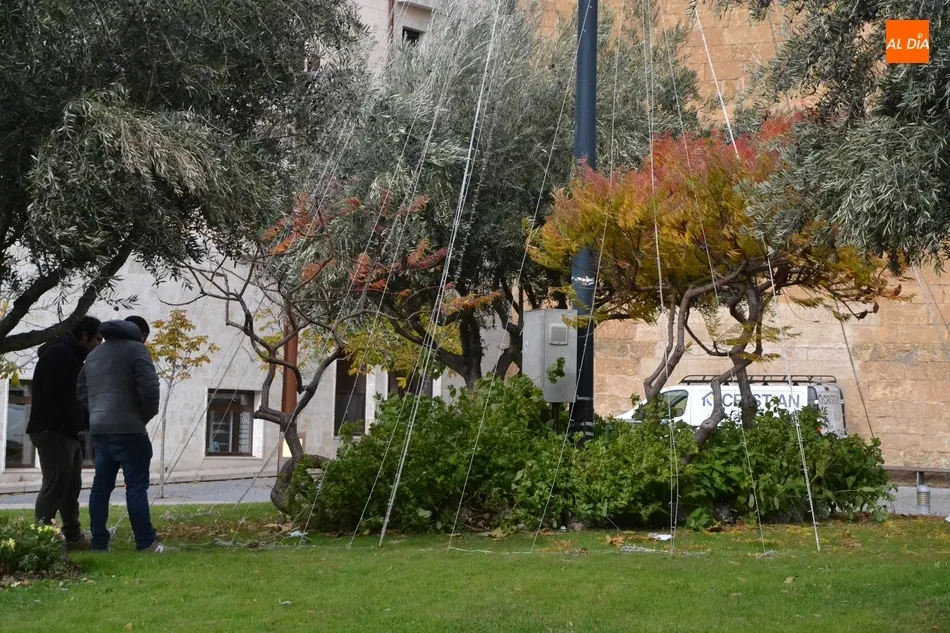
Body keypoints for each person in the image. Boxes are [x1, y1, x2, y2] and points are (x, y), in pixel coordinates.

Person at [77, 316, 171, 553]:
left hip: (100, 431)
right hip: (130, 430)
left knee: (101, 487)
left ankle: (99, 543)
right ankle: (146, 542)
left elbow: (81, 390)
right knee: (136, 487)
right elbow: (150, 388)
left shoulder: (94, 355)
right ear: (140, 335)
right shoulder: (137, 350)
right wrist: (143, 416)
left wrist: (96, 412)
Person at [26, 316, 103, 551]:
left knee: (71, 485)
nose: (99, 345)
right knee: (56, 484)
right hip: (53, 430)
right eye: (97, 339)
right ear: (85, 335)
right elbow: (62, 395)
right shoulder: (60, 354)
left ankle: (72, 536)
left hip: (66, 431)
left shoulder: (70, 354)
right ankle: (42, 540)